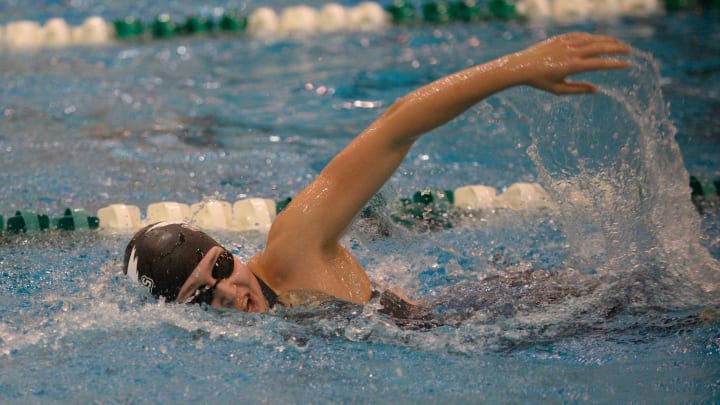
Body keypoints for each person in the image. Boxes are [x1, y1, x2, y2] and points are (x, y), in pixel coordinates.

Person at [124, 32, 631, 319]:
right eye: (204, 296)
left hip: (528, 311)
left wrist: (518, 67)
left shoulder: (293, 245)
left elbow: (395, 127)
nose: (231, 291)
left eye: (221, 266)